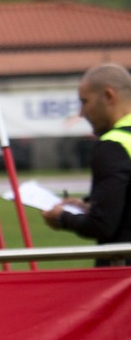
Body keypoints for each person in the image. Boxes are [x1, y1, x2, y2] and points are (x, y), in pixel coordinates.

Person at [44, 63, 131, 265]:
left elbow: (101, 225)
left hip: (123, 271)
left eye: (85, 102)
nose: (81, 113)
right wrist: (89, 207)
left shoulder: (113, 145)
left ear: (109, 96)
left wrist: (61, 217)